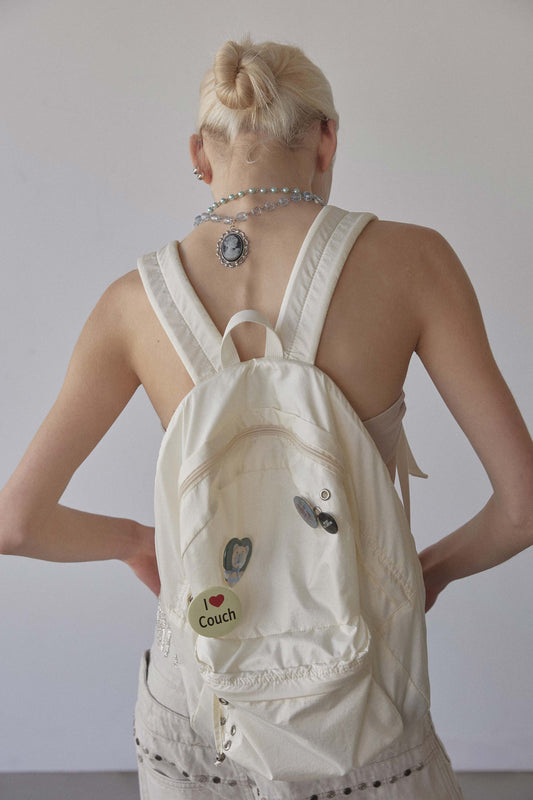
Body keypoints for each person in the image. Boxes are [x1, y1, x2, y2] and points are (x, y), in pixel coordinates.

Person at [1, 34, 532, 800]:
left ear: (199, 152)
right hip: (356, 699)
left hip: (197, 698)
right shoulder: (413, 263)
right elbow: (521, 506)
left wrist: (136, 543)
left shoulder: (131, 305)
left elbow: (16, 524)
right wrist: (424, 576)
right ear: (326, 140)